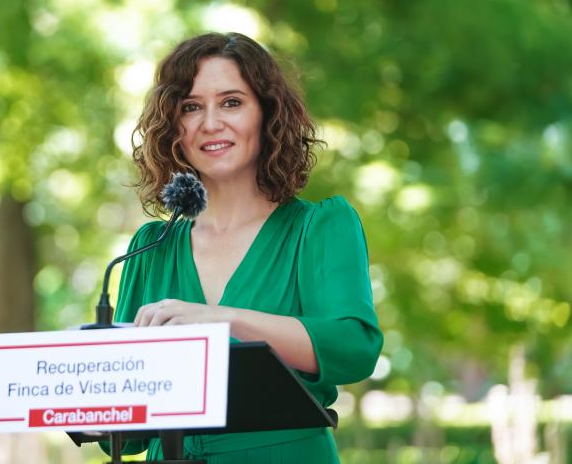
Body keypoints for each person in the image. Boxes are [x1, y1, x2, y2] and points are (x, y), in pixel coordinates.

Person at [114, 32, 383, 463]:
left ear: (267, 114)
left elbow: (353, 347)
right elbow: (127, 432)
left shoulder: (318, 227)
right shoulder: (151, 248)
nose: (210, 122)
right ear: (174, 127)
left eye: (231, 102)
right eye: (191, 107)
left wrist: (221, 320)